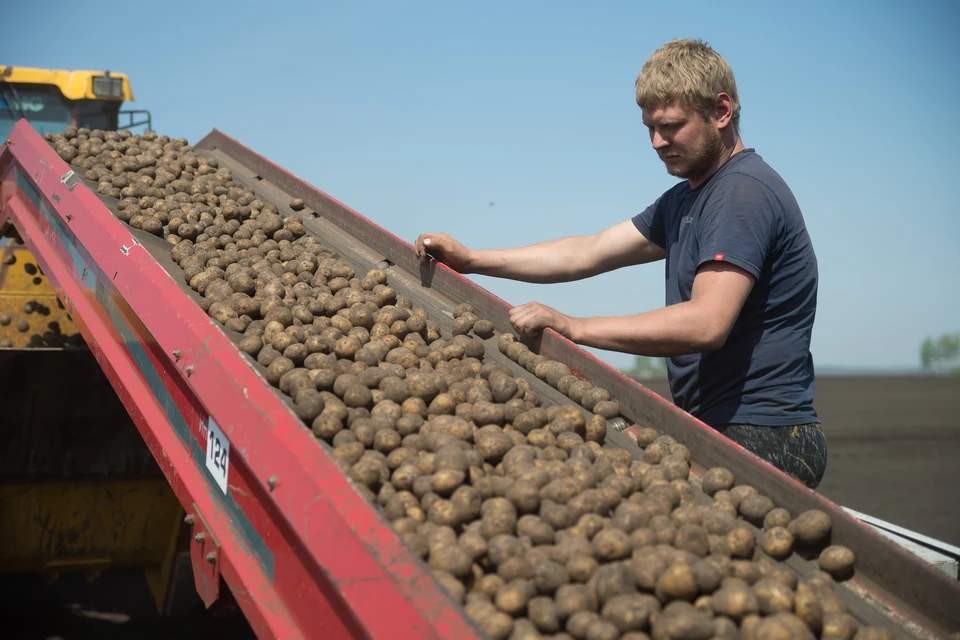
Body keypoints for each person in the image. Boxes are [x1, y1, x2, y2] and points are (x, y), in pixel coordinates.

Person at [414, 38, 827, 489]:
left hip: (763, 433)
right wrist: (472, 260)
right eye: (649, 127)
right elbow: (585, 252)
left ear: (722, 111)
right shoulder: (686, 200)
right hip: (718, 424)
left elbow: (707, 323)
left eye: (670, 126)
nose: (656, 142)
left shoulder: (741, 193)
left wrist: (573, 327)